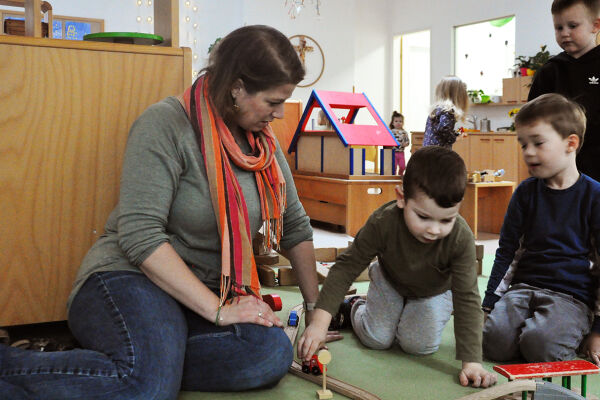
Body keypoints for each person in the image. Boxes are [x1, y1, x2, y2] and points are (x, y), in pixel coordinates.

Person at [0, 25, 321, 400]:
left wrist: (316, 308)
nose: (280, 114)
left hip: (200, 294)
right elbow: (141, 237)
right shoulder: (164, 124)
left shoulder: (262, 144)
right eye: (272, 102)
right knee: (148, 389)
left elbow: (294, 227)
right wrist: (219, 313)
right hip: (129, 279)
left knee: (270, 353)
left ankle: (138, 359)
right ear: (236, 87)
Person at [298, 146, 497, 388]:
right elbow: (345, 268)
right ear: (402, 198)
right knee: (377, 339)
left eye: (446, 219)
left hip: (435, 289)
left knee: (418, 346)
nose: (434, 229)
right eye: (423, 217)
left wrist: (472, 362)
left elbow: (467, 297)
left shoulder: (460, 237)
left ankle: (401, 310)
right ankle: (354, 306)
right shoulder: (383, 222)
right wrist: (319, 323)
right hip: (391, 279)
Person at [482, 93, 600, 365]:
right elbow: (507, 251)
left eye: (538, 143)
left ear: (571, 143)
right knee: (493, 345)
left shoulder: (594, 196)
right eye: (523, 144)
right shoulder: (524, 193)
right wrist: (489, 304)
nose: (528, 152)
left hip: (571, 297)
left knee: (540, 347)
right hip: (523, 288)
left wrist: (597, 331)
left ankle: (570, 332)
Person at [528, 0, 600, 182]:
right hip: (558, 173)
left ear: (596, 26)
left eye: (573, 26)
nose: (565, 33)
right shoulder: (549, 72)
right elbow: (532, 121)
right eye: (559, 28)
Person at [423, 76, 469, 149]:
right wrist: (455, 139)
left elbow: (441, 129)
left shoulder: (437, 109)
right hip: (439, 151)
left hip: (428, 149)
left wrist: (458, 133)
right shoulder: (448, 111)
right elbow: (443, 128)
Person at [389, 111, 410, 176]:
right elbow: (388, 140)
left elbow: (407, 141)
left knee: (403, 166)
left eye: (400, 121)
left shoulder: (404, 132)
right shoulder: (391, 132)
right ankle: (394, 177)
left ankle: (400, 174)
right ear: (392, 123)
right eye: (396, 121)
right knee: (393, 167)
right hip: (393, 152)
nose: (398, 123)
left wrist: (405, 144)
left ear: (403, 123)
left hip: (401, 153)